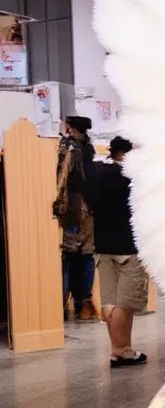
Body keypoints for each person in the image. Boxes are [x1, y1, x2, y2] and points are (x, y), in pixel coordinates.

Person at [87, 136, 148, 367]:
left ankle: (120, 350)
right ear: (125, 154)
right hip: (128, 246)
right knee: (126, 303)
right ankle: (121, 350)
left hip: (103, 246)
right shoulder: (131, 179)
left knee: (110, 300)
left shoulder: (97, 175)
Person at [53, 116, 97, 321]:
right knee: (86, 256)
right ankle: (85, 305)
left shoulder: (67, 147)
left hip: (71, 208)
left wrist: (57, 204)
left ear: (69, 128)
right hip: (89, 209)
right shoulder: (90, 147)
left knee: (66, 257)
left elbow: (61, 178)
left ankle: (58, 305)